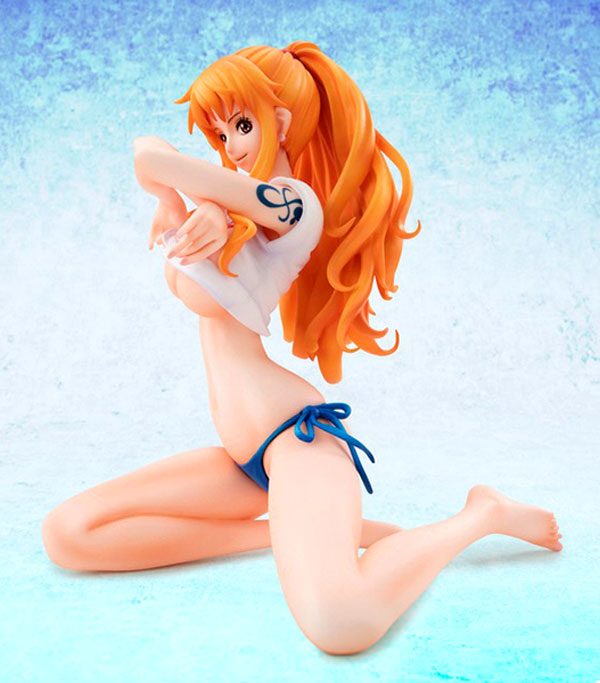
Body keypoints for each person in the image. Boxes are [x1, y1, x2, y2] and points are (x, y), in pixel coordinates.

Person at [41, 41, 562, 655]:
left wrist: (197, 199)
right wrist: (175, 202)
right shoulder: (231, 203)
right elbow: (145, 153)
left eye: (242, 125)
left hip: (298, 441)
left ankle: (481, 515)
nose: (230, 145)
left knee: (340, 622)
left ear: (282, 121)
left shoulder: (293, 204)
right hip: (244, 461)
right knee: (70, 532)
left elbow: (159, 160)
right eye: (219, 132)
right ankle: (285, 534)